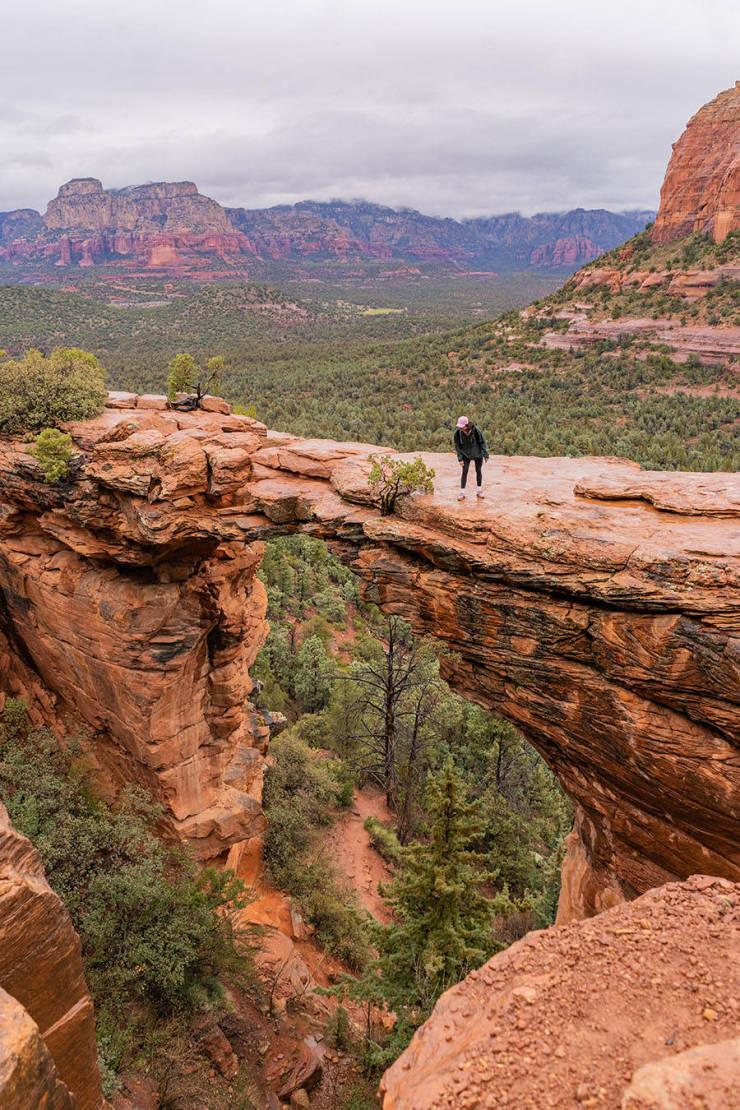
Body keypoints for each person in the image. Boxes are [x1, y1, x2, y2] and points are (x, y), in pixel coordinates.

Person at [454, 416, 489, 500]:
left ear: (466, 425)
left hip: (477, 454)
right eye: (459, 426)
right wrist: (460, 458)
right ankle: (462, 493)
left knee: (478, 471)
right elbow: (457, 446)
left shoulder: (475, 430)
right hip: (465, 454)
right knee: (464, 472)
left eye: (461, 426)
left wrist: (485, 454)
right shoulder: (458, 433)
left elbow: (482, 441)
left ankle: (479, 491)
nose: (460, 428)